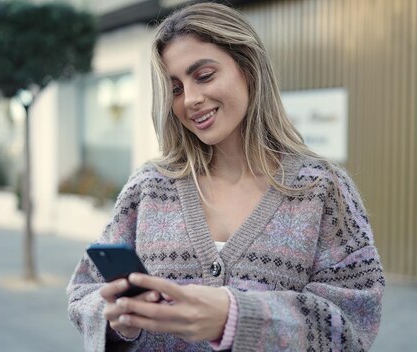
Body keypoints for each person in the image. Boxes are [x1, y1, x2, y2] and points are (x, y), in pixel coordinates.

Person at [67, 2, 384, 351]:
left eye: (204, 76)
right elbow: (84, 291)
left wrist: (236, 317)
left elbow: (353, 324)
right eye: (176, 88)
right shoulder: (148, 188)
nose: (190, 100)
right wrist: (115, 318)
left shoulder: (323, 190)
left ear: (248, 69)